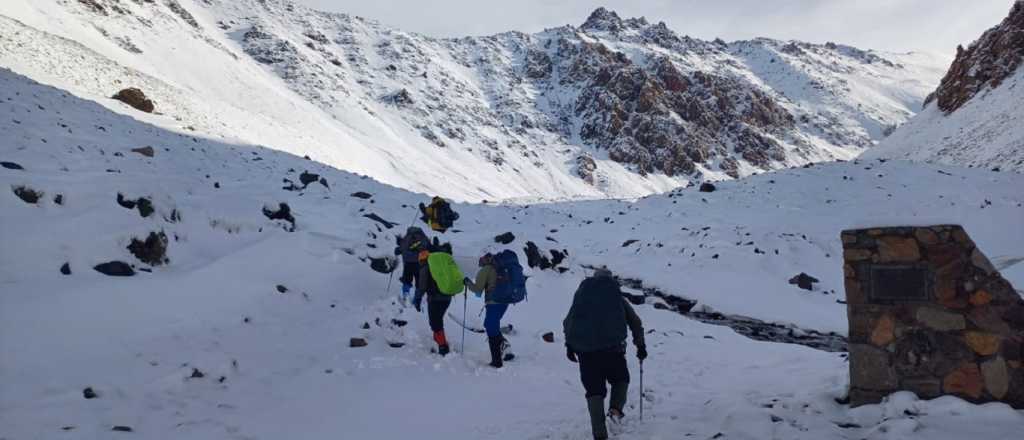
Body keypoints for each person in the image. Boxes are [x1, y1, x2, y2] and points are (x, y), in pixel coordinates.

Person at [563, 267, 647, 440]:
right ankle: (615, 411)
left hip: (586, 353)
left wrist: (569, 346)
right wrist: (640, 346)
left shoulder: (583, 297)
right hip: (613, 350)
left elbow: (568, 322)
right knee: (621, 379)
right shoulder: (616, 298)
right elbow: (635, 323)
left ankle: (600, 435)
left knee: (594, 391)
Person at [463, 252, 507, 368]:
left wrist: (467, 282)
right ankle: (505, 350)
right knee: (492, 326)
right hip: (505, 302)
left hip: (494, 302)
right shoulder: (499, 267)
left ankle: (497, 361)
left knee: (491, 328)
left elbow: (478, 290)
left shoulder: (486, 269)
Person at [413, 250, 452, 356]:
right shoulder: (441, 266)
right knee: (437, 320)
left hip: (435, 299)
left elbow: (422, 287)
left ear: (422, 260)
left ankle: (442, 346)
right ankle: (438, 341)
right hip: (447, 298)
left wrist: (417, 299)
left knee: (435, 322)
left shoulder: (425, 268)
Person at [394, 226, 429, 305]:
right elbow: (428, 247)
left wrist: (397, 250)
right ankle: (416, 299)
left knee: (407, 280)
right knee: (419, 282)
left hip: (408, 263)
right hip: (420, 263)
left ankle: (406, 296)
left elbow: (402, 248)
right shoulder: (423, 237)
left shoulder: (407, 237)